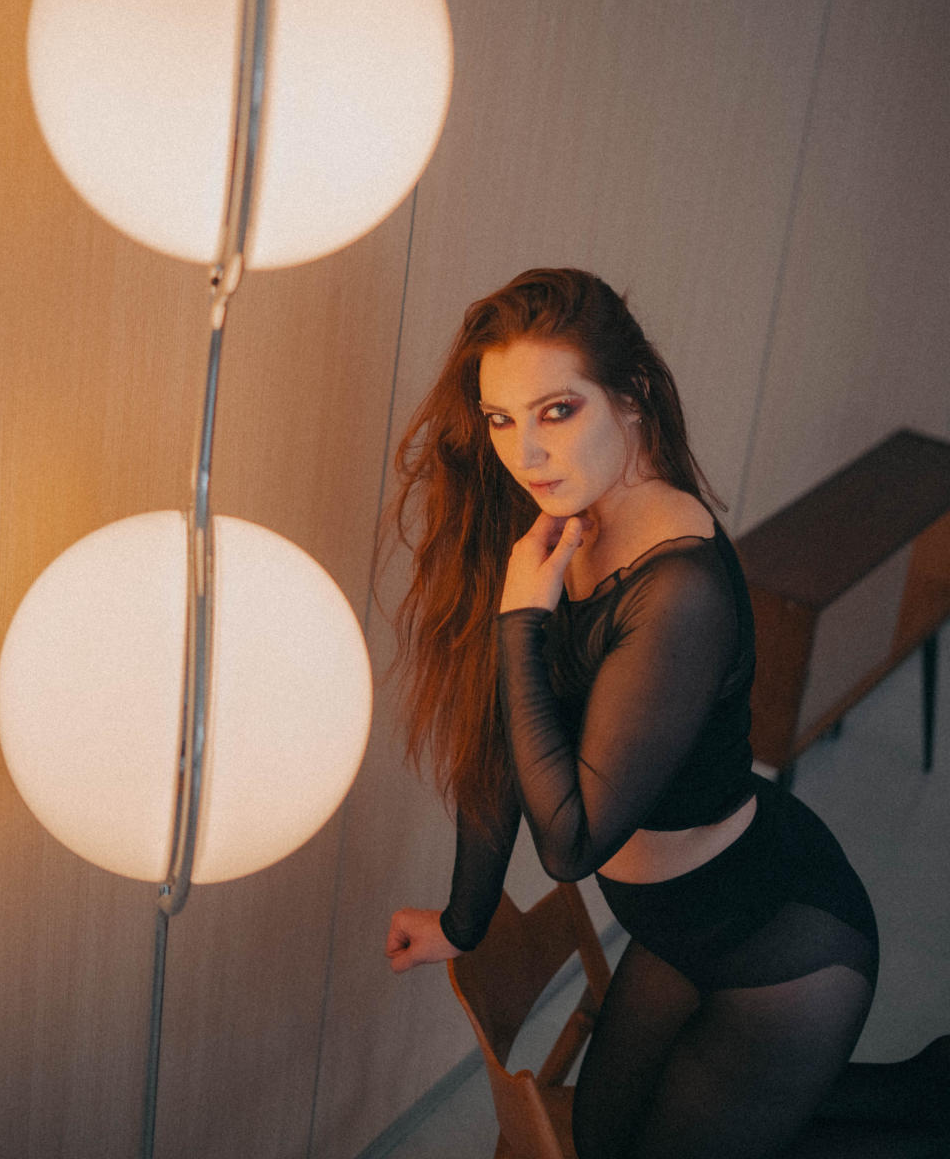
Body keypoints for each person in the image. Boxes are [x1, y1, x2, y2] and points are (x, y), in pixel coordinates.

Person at [384, 267, 948, 1158]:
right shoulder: (555, 527)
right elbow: (497, 745)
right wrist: (462, 923)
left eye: (556, 411)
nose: (525, 453)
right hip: (674, 932)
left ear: (632, 394)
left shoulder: (678, 589)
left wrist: (520, 623)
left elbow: (572, 844)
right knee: (606, 1140)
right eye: (501, 419)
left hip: (780, 949)